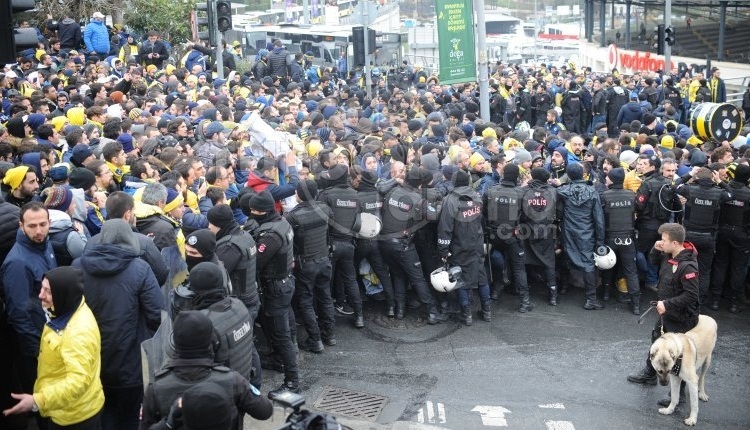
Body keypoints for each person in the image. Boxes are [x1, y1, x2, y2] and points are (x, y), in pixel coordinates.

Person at [73, 219, 164, 430]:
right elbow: (156, 313)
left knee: (101, 411)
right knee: (130, 415)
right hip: (130, 360)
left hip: (89, 357)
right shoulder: (140, 268)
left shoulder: (78, 266)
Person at [2, 266, 104, 429]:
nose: (41, 295)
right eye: (41, 288)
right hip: (67, 408)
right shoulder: (68, 308)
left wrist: (37, 401)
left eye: (48, 291)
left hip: (74, 417)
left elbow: (77, 382)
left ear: (63, 294)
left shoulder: (77, 333)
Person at [139, 311, 273, 430]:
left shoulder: (156, 388)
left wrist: (168, 424)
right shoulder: (232, 380)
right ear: (213, 342)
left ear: (173, 344)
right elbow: (265, 411)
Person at [627, 223, 700, 405]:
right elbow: (653, 262)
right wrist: (655, 248)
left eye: (664, 240)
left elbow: (691, 296)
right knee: (656, 340)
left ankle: (679, 395)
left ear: (675, 243)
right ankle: (650, 373)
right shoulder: (669, 255)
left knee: (679, 355)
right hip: (666, 313)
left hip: (682, 319)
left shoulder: (688, 267)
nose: (661, 242)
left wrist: (667, 304)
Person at [1, 202, 57, 429]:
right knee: (45, 407)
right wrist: (37, 352)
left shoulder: (45, 244)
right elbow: (19, 315)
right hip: (35, 349)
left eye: (43, 224)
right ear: (21, 226)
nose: (39, 231)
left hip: (50, 339)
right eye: (32, 226)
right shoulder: (16, 263)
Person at [247, 191, 299, 396]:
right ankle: (280, 360)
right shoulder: (282, 223)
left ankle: (292, 382)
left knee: (282, 334)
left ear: (263, 211)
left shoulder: (269, 235)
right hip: (284, 283)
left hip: (276, 287)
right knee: (284, 328)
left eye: (253, 211)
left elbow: (257, 262)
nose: (251, 214)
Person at [379, 168, 443, 323]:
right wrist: (441, 203)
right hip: (403, 245)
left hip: (384, 243)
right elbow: (434, 215)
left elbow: (380, 189)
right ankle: (432, 312)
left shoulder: (392, 192)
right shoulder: (418, 200)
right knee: (418, 278)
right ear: (420, 183)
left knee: (398, 274)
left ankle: (400, 310)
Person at [187, 261, 260, 389]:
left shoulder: (206, 323)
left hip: (222, 396)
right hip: (244, 385)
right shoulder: (238, 305)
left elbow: (193, 370)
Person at [285, 180, 336, 350]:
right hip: (324, 260)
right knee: (325, 297)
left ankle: (315, 339)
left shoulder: (292, 216)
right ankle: (330, 335)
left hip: (306, 265)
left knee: (306, 301)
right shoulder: (325, 209)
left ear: (298, 194)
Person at [674, 167, 731, 308]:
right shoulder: (719, 193)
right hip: (708, 237)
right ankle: (699, 298)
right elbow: (731, 194)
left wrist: (690, 174)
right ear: (712, 178)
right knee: (704, 270)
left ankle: (682, 293)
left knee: (683, 265)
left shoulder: (689, 189)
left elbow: (675, 185)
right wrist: (720, 181)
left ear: (697, 178)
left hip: (689, 235)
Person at [439, 170, 491, 325]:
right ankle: (487, 310)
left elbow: (445, 228)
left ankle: (466, 313)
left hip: (459, 244)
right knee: (481, 275)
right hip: (476, 242)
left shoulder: (450, 200)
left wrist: (443, 249)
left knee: (459, 277)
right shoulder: (476, 196)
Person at [317, 164, 364, 327]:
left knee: (326, 282)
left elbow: (321, 220)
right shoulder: (355, 195)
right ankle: (359, 316)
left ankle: (327, 319)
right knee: (351, 280)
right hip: (349, 244)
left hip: (330, 245)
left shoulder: (326, 195)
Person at [485, 164, 533, 312]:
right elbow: (526, 216)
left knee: (497, 263)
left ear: (503, 175)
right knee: (519, 268)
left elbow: (483, 212)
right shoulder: (521, 193)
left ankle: (495, 292)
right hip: (512, 235)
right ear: (517, 176)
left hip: (493, 234)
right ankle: (524, 302)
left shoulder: (490, 191)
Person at [557, 163, 606, 309]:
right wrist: (600, 240)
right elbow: (598, 218)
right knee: (588, 263)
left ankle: (564, 287)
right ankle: (591, 298)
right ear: (583, 174)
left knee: (566, 257)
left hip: (568, 231)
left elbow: (559, 213)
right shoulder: (592, 192)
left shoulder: (562, 191)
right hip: (587, 232)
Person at [710, 163, 750, 313]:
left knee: (720, 264)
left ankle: (715, 300)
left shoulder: (724, 189)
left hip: (723, 231)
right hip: (741, 234)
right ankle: (734, 302)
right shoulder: (747, 193)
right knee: (738, 268)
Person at [599, 168, 641, 314]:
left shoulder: (604, 195)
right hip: (628, 238)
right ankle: (636, 304)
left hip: (610, 237)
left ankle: (605, 293)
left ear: (611, 179)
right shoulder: (631, 195)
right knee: (631, 270)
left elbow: (600, 218)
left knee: (607, 266)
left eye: (607, 177)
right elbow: (639, 211)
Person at [521, 168, 560, 305]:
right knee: (549, 262)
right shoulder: (553, 191)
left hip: (528, 230)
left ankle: (524, 294)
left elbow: (520, 213)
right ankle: (553, 295)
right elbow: (559, 212)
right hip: (547, 231)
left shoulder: (524, 191)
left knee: (524, 262)